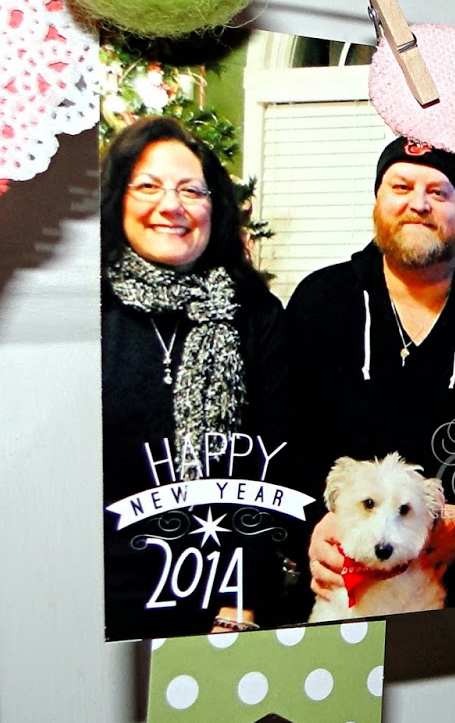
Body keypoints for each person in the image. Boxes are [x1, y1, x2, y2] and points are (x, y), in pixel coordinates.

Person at [288, 136, 455, 611]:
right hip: (339, 586)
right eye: (401, 187)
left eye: (438, 192)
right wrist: (312, 524)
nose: (419, 204)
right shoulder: (319, 302)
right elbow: (285, 438)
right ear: (377, 203)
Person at [100, 115, 304, 641]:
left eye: (191, 190)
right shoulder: (88, 313)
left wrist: (243, 601)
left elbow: (278, 465)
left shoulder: (256, 314)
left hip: (222, 601)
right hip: (99, 601)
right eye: (148, 186)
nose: (172, 205)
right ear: (118, 199)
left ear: (215, 207)